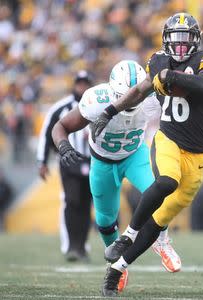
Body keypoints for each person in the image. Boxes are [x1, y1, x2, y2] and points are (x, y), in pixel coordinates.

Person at [89, 13, 203, 296]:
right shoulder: (158, 60)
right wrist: (111, 110)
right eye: (177, 40)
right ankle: (127, 236)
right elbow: (140, 89)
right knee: (166, 181)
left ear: (197, 41)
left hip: (198, 155)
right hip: (169, 140)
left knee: (159, 221)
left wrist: (170, 76)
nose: (182, 46)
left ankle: (116, 270)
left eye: (187, 41)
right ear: (166, 41)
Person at [51, 60, 182, 292]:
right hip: (102, 162)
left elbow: (183, 105)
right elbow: (60, 126)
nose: (131, 101)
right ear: (113, 91)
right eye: (125, 96)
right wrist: (64, 147)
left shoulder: (152, 97)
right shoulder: (96, 100)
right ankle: (117, 267)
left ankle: (162, 242)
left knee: (158, 192)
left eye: (136, 94)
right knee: (104, 221)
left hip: (134, 155)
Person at [36, 70, 92, 262]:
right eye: (80, 84)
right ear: (74, 85)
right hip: (69, 162)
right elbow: (47, 133)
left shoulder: (97, 104)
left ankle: (82, 247)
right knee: (72, 201)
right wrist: (42, 161)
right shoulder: (61, 107)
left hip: (92, 162)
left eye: (86, 84)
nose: (82, 87)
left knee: (86, 205)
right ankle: (72, 246)